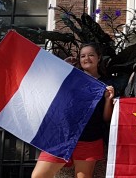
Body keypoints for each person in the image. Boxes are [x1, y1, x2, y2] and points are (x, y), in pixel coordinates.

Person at [32, 43, 116, 178]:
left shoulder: (105, 84)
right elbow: (48, 87)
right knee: (39, 175)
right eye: (83, 56)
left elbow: (106, 119)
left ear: (99, 58)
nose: (87, 58)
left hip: (89, 139)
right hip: (61, 137)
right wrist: (63, 68)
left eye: (91, 55)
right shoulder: (71, 78)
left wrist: (108, 100)